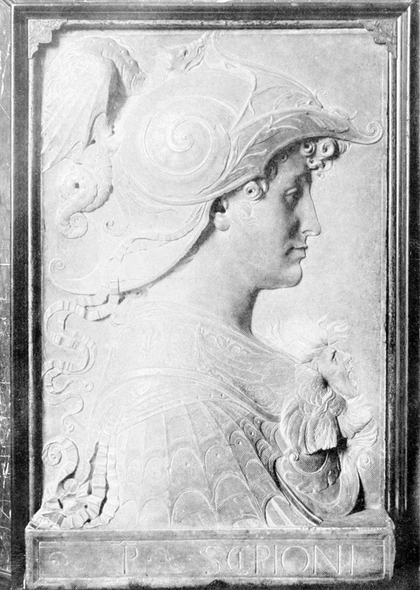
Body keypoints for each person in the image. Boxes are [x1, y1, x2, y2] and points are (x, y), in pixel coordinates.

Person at [33, 34, 380, 531]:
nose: (314, 223)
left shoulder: (233, 364)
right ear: (221, 207)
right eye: (292, 194)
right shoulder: (172, 406)